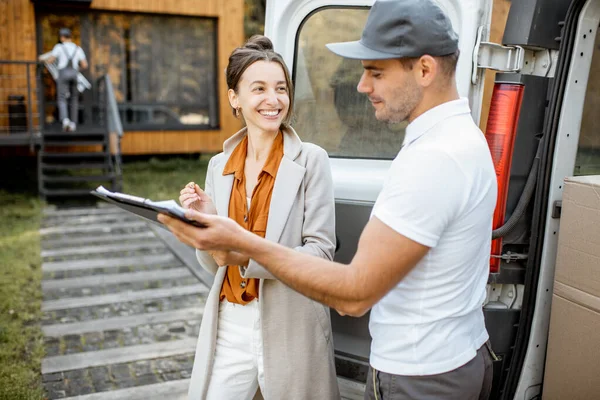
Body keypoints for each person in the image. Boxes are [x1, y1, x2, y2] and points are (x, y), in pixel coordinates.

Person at [160, 0, 498, 399]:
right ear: (234, 98)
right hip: (439, 359)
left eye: (375, 72)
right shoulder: (451, 140)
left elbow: (353, 294)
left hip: (422, 375)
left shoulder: (436, 158)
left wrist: (240, 243)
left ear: (424, 70)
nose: (360, 86)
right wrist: (216, 236)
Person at [178, 35, 340, 399]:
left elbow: (322, 255)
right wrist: (206, 221)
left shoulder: (312, 161)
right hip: (230, 322)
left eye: (281, 88)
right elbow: (213, 265)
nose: (274, 99)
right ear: (235, 97)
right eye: (260, 88)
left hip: (290, 323)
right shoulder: (219, 167)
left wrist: (246, 253)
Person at [39, 28, 88, 132]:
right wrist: (75, 70)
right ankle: (73, 123)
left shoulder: (59, 47)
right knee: (74, 99)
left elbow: (52, 59)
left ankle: (65, 121)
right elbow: (84, 65)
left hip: (63, 73)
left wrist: (43, 60)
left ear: (62, 37)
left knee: (62, 97)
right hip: (74, 74)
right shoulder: (78, 48)